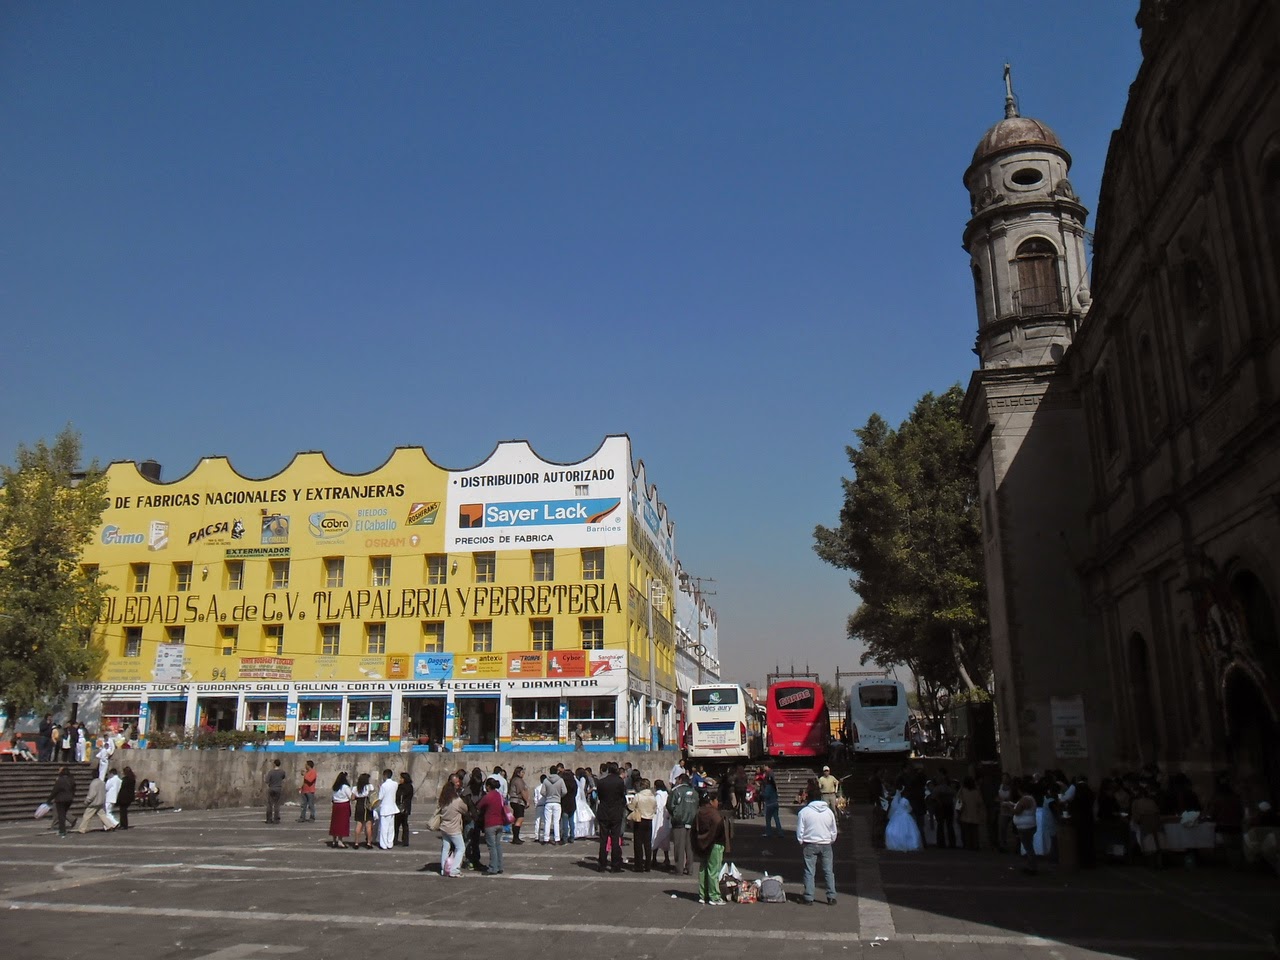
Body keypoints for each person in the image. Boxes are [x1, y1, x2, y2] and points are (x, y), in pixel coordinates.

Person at [797, 777, 838, 905]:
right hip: (826, 844)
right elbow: (833, 830)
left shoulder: (804, 812)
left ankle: (809, 897)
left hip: (809, 843)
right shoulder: (829, 812)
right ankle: (831, 896)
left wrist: (801, 841)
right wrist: (831, 840)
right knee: (828, 871)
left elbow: (800, 830)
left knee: (809, 871)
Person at [424, 779, 468, 876]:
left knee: (445, 848)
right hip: (454, 828)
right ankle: (454, 869)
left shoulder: (443, 801)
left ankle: (444, 869)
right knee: (460, 848)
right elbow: (465, 809)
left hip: (444, 827)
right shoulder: (457, 801)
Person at [692, 790, 728, 905]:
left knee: (703, 869)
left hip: (702, 843)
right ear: (712, 801)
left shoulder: (699, 812)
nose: (718, 802)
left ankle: (703, 895)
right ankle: (714, 896)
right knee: (713, 870)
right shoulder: (713, 813)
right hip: (715, 843)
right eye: (716, 800)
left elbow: (694, 828)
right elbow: (718, 824)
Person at [595, 762, 628, 873]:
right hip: (615, 812)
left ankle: (602, 864)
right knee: (615, 839)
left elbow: (600, 796)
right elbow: (622, 796)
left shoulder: (601, 782)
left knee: (603, 839)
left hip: (604, 811)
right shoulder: (619, 782)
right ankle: (615, 865)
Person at [667, 773, 698, 876]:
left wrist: (674, 814)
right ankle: (690, 868)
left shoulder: (676, 791)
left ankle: (679, 869)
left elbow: (670, 805)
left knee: (679, 846)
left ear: (680, 780)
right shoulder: (694, 792)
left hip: (679, 821)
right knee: (690, 847)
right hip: (692, 821)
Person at [476, 777, 506, 875]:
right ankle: (500, 866)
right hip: (500, 823)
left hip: (490, 823)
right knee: (498, 845)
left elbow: (478, 806)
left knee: (492, 846)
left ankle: (493, 867)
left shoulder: (488, 797)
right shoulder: (499, 795)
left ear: (488, 786)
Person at [884, 780, 924, 852]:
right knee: (908, 831)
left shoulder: (895, 801)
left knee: (896, 830)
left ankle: (897, 844)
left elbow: (893, 808)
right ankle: (910, 844)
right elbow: (909, 809)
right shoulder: (905, 801)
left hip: (896, 816)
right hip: (905, 816)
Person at [628, 778, 657, 871]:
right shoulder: (653, 797)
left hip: (639, 819)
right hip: (649, 820)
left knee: (638, 843)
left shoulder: (638, 796)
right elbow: (655, 809)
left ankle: (638, 865)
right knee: (647, 844)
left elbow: (632, 807)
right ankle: (648, 865)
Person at [1012, 780, 1040, 874]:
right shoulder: (1030, 799)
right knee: (1029, 846)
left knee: (1028, 847)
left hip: (1025, 827)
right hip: (1029, 825)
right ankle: (1030, 865)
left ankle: (1032, 867)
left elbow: (1017, 811)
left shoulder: (1025, 799)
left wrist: (1009, 807)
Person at [47, 765, 77, 838]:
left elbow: (55, 790)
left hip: (60, 799)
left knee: (61, 815)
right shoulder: (71, 779)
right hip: (69, 799)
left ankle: (62, 831)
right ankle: (62, 828)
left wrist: (49, 799)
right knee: (63, 814)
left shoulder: (60, 780)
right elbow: (74, 789)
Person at [957, 776, 984, 851]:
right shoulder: (976, 792)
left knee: (966, 832)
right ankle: (975, 845)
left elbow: (959, 802)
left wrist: (958, 812)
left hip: (964, 814)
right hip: (975, 815)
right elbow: (980, 802)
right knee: (974, 832)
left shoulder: (962, 791)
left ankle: (967, 845)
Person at [328, 772, 354, 848]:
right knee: (342, 823)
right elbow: (351, 797)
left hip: (336, 805)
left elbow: (333, 797)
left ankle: (334, 840)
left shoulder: (335, 787)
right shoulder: (345, 787)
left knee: (335, 823)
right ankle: (340, 841)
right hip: (343, 805)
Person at [542, 765, 566, 845]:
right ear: (557, 771)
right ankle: (557, 838)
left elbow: (542, 792)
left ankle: (546, 839)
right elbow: (564, 791)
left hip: (548, 802)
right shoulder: (560, 780)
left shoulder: (546, 780)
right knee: (556, 821)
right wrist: (559, 796)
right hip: (557, 802)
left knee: (547, 821)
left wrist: (547, 796)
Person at [376, 768, 399, 849]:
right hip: (392, 808)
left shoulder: (384, 785)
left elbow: (380, 797)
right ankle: (390, 843)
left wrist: (380, 789)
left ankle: (383, 844)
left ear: (385, 775)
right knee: (391, 827)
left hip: (385, 808)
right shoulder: (395, 784)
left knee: (384, 828)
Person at [651, 778, 671, 870]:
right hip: (665, 820)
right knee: (665, 839)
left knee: (655, 837)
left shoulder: (658, 795)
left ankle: (654, 858)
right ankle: (666, 858)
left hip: (657, 819)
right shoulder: (667, 795)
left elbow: (657, 807)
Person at [352, 772, 375, 849]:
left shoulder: (355, 788)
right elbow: (373, 795)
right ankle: (369, 843)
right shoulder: (370, 786)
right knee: (368, 825)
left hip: (359, 805)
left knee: (359, 824)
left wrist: (357, 797)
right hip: (367, 805)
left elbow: (352, 798)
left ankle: (356, 843)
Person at [573, 767, 597, 840]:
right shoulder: (583, 779)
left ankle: (580, 832)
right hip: (580, 798)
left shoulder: (582, 779)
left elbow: (582, 789)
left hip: (580, 798)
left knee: (580, 816)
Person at [508, 766, 529, 844]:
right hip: (518, 801)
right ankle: (516, 838)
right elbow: (522, 791)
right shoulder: (518, 780)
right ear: (518, 773)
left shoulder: (513, 780)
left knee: (516, 818)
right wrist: (527, 801)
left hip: (514, 801)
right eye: (522, 772)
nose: (523, 774)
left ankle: (515, 837)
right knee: (520, 818)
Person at [394, 772, 414, 847]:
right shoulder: (409, 787)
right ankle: (404, 840)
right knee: (403, 824)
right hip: (406, 808)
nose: (400, 780)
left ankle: (396, 839)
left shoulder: (402, 787)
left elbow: (399, 796)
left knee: (398, 824)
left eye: (401, 778)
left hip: (401, 807)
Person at [264, 759, 286, 824]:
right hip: (278, 788)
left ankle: (269, 819)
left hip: (271, 788)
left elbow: (267, 781)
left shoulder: (271, 772)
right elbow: (283, 777)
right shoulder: (282, 772)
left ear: (274, 764)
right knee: (277, 804)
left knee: (269, 804)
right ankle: (276, 819)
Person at [761, 772, 782, 838]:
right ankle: (780, 832)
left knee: (768, 819)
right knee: (776, 819)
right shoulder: (774, 787)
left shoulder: (768, 787)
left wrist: (762, 793)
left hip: (770, 804)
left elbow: (766, 795)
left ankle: (768, 832)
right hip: (775, 803)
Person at [117, 766, 137, 830]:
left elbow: (122, 787)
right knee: (124, 811)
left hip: (124, 797)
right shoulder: (132, 779)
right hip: (129, 797)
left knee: (123, 811)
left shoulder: (126, 779)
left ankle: (123, 825)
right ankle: (124, 824)